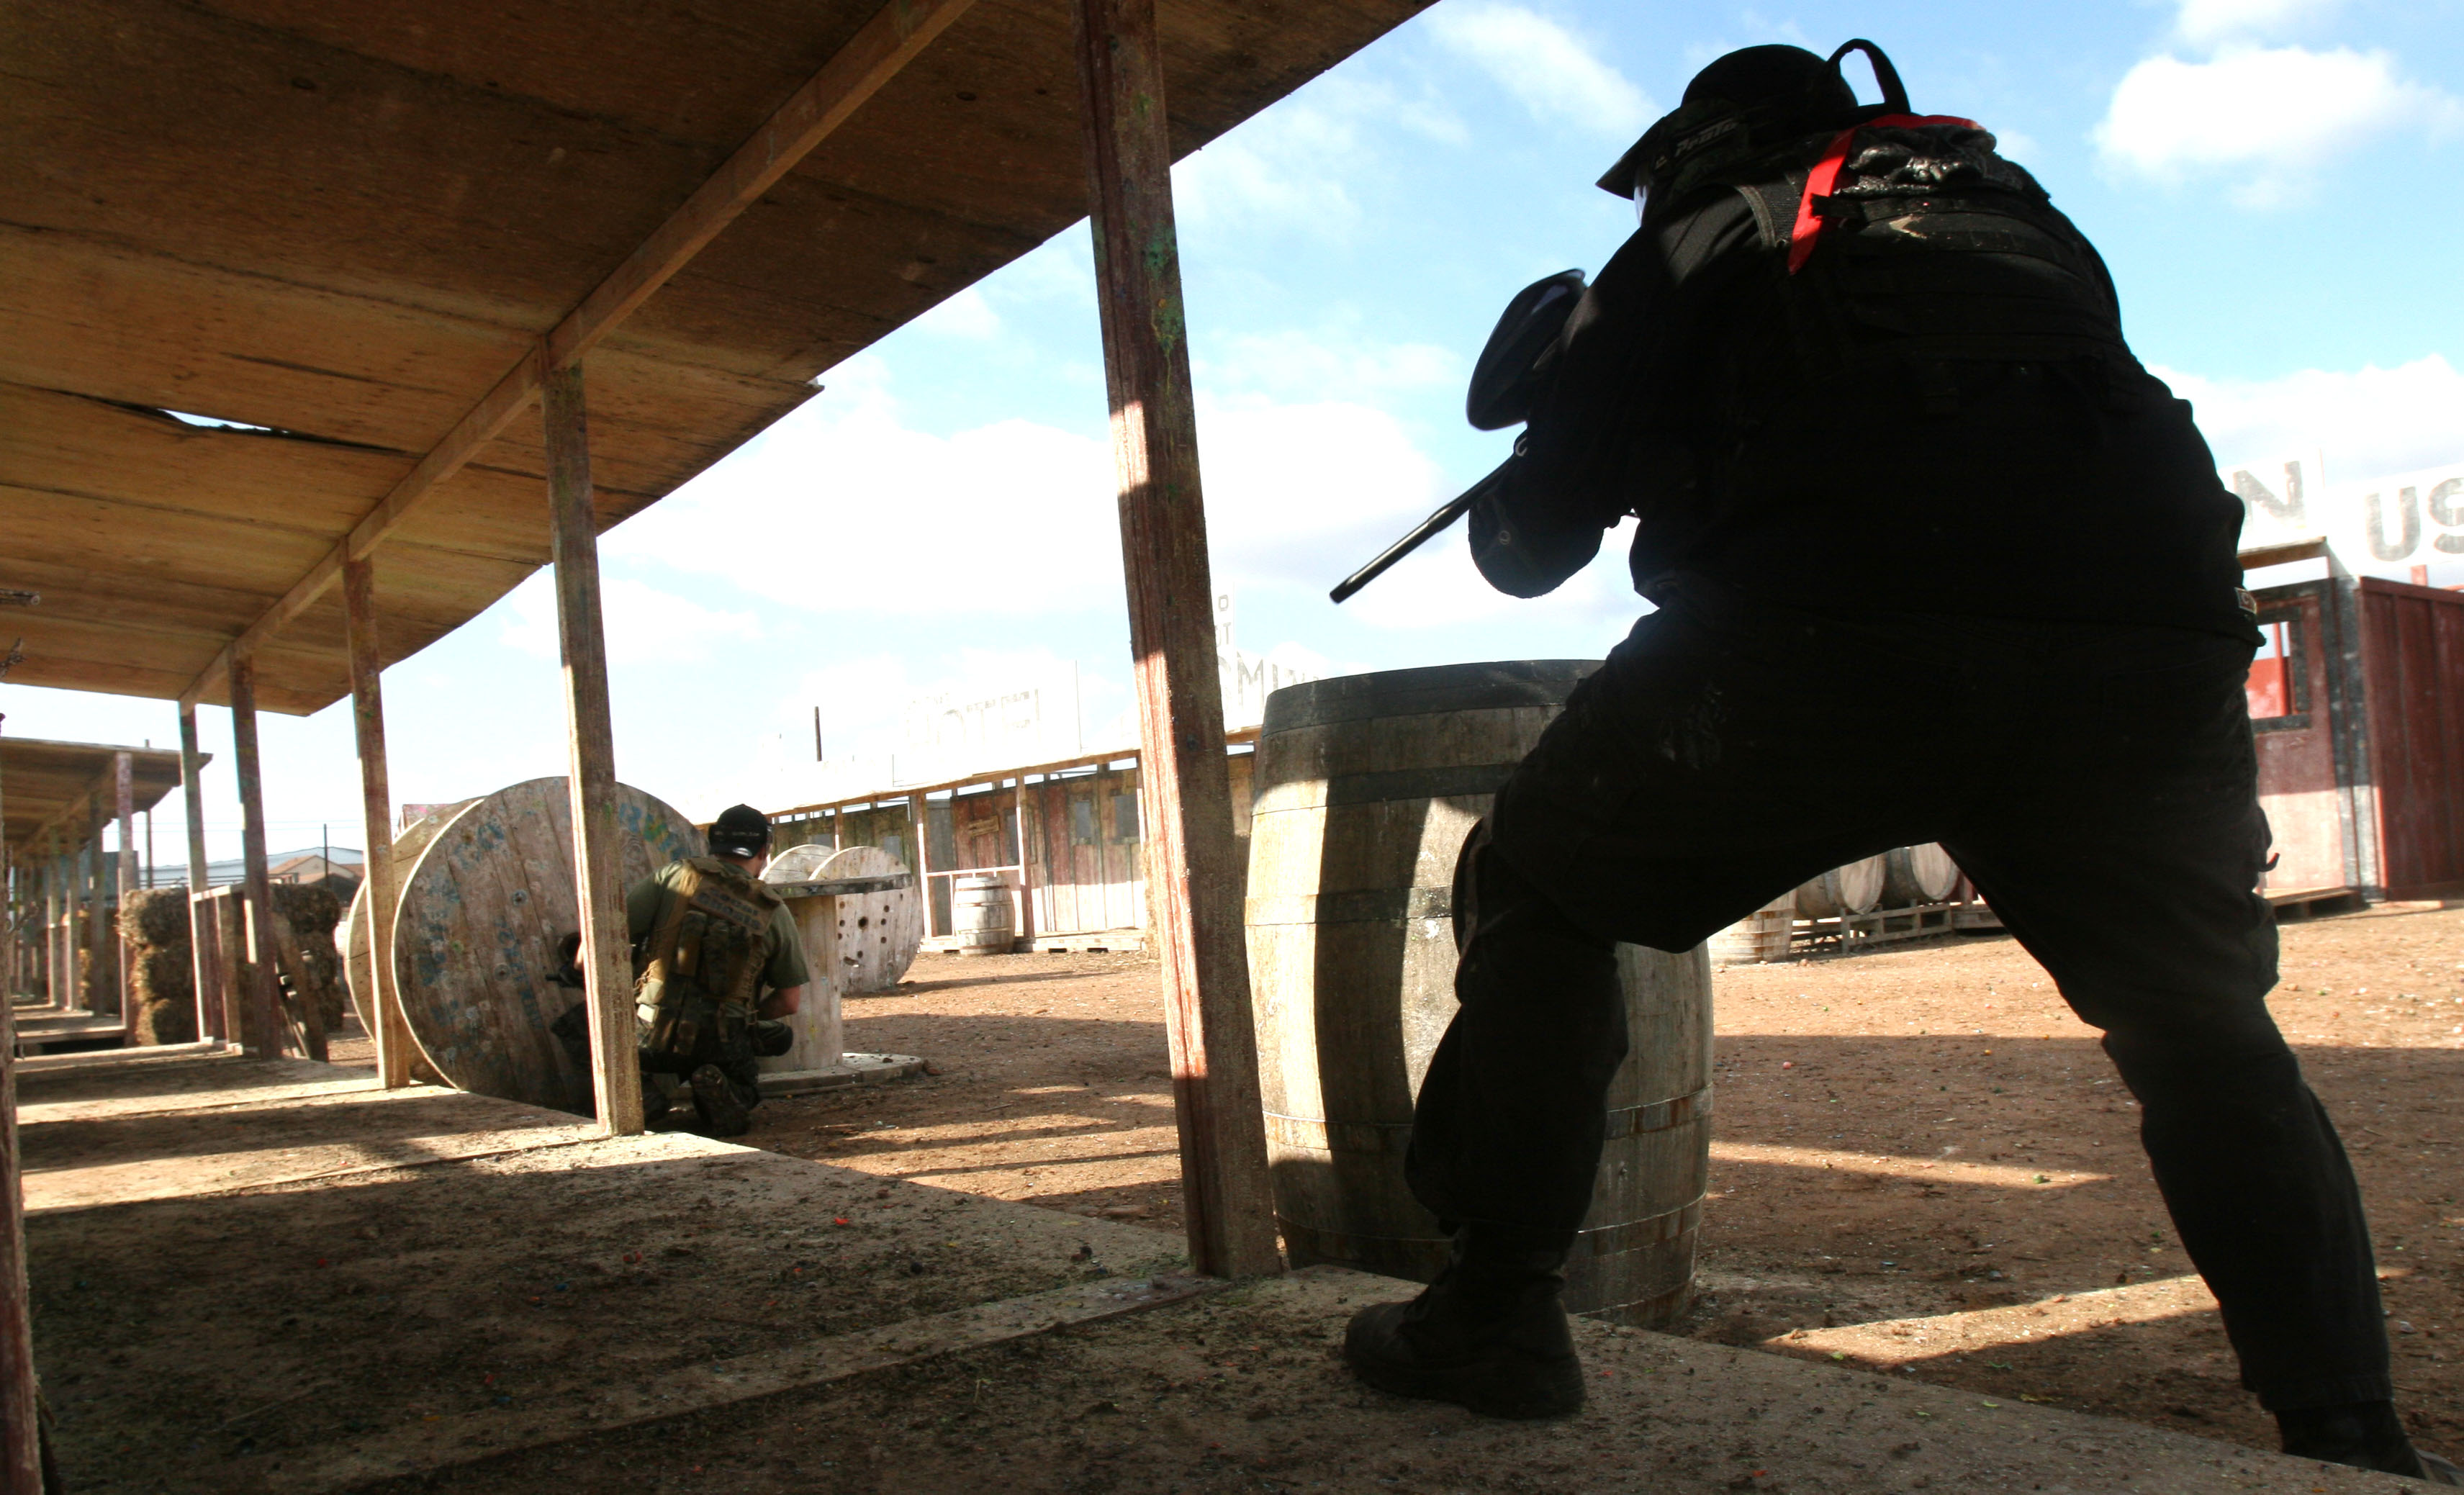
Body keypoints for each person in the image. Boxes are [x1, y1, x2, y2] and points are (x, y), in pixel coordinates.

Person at [1340, 40, 2455, 1483]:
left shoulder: (1695, 237)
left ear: (1699, 150)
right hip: (2141, 649)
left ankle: (1494, 1313)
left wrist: (1579, 392)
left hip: (1826, 639)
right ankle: (2347, 1432)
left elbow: (1526, 552)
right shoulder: (2016, 214)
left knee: (1540, 880)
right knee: (2201, 1032)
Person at [554, 803, 807, 1135]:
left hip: (652, 1033)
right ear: (763, 850)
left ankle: (641, 1095)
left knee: (576, 1025)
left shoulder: (673, 877)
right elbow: (789, 1002)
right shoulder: (773, 909)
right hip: (723, 1041)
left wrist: (575, 971)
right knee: (773, 1041)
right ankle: (725, 1091)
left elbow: (601, 935)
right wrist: (745, 1020)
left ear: (714, 842)